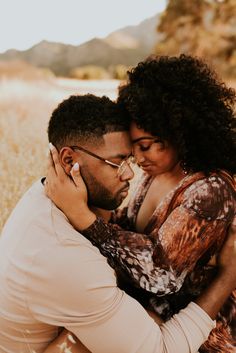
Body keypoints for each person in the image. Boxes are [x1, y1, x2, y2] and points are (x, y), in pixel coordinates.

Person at [0, 95, 235, 353]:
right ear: (68, 161)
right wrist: (228, 276)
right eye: (117, 162)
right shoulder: (68, 257)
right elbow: (161, 350)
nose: (130, 173)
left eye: (129, 160)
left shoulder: (42, 195)